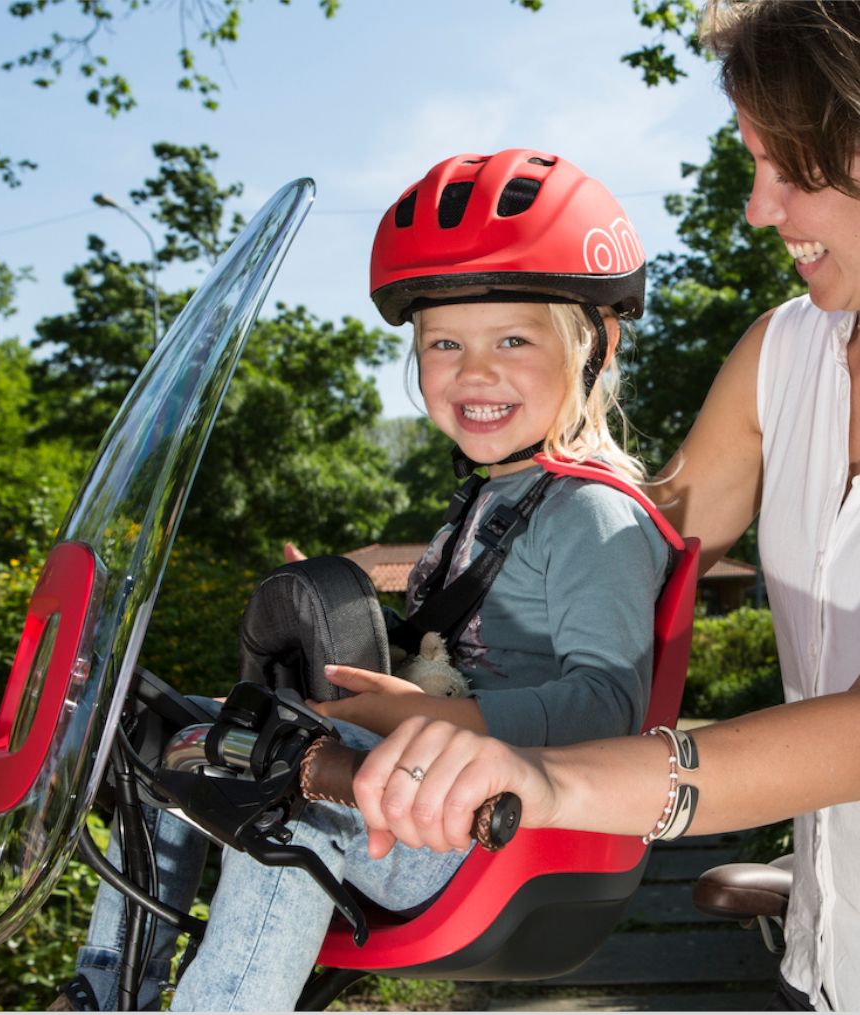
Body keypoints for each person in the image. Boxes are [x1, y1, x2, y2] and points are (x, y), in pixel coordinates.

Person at [57, 148, 671, 1012]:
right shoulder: (489, 504)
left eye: (514, 340)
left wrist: (421, 714)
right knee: (169, 733)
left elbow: (609, 706)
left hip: (498, 822)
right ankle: (105, 989)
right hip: (429, 787)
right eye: (445, 343)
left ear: (592, 348)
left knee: (295, 794)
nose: (474, 369)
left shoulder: (593, 515)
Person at [353, 3, 860, 1010]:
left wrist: (562, 779)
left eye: (792, 170)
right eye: (748, 162)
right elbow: (637, 529)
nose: (757, 210)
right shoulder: (783, 353)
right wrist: (364, 578)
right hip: (832, 949)